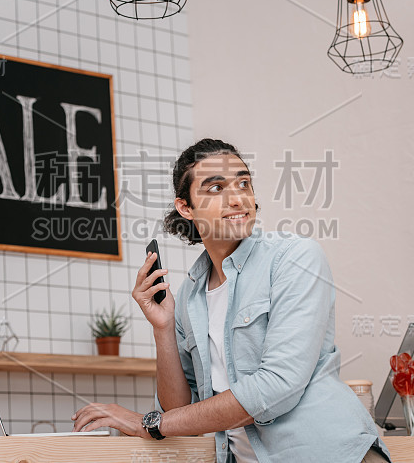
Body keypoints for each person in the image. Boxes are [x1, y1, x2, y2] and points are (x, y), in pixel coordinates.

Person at [73, 138, 392, 463]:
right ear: (186, 207)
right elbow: (183, 413)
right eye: (216, 188)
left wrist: (150, 425)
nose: (238, 197)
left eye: (244, 183)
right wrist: (164, 328)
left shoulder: (294, 257)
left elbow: (275, 387)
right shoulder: (188, 296)